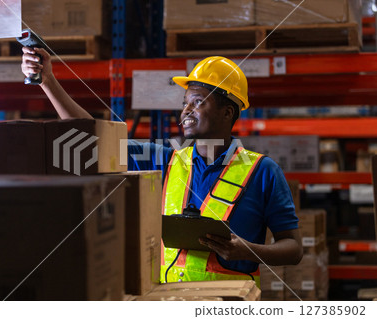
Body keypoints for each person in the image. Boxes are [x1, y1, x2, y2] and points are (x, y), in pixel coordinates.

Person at [22, 48, 303, 287]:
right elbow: (93, 139)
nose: (186, 111)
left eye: (198, 102)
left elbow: (293, 249)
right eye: (185, 103)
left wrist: (246, 251)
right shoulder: (166, 159)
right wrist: (47, 81)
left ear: (227, 112)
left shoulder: (264, 171)